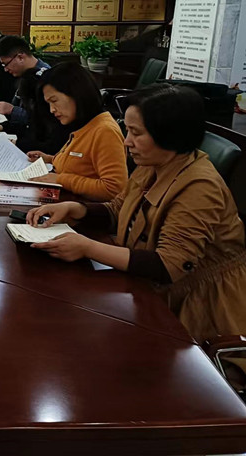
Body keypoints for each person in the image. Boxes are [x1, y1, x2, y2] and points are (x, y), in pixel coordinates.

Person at [26, 84, 246, 344]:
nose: (126, 141)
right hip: (150, 289)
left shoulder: (200, 187)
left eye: (136, 133)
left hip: (199, 308)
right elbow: (119, 209)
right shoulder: (153, 164)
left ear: (170, 135)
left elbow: (169, 265)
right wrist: (76, 210)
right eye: (128, 130)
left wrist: (87, 248)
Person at [26, 63, 127, 201]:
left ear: (76, 93)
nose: (52, 109)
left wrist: (60, 180)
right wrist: (50, 159)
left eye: (54, 101)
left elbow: (114, 189)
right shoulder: (83, 123)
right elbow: (81, 163)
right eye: (49, 104)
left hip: (82, 209)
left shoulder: (105, 131)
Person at [0, 35, 69, 154]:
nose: (5, 69)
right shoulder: (26, 76)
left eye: (5, 64)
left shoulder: (44, 80)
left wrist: (13, 111)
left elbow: (39, 121)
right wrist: (4, 126)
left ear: (20, 57)